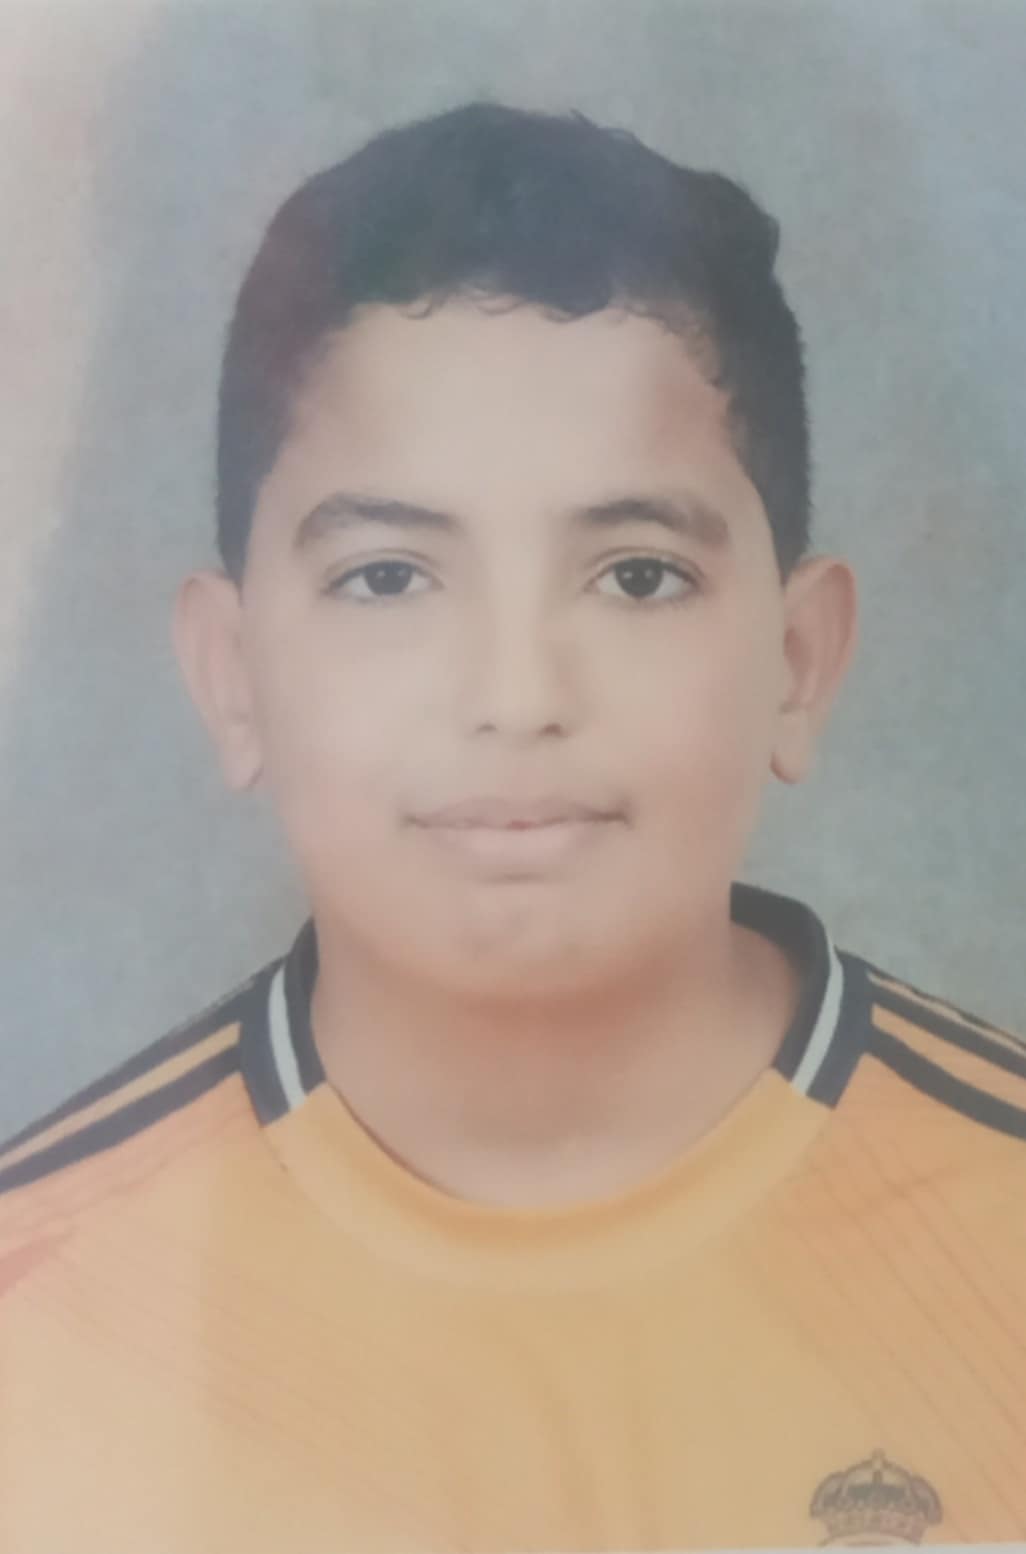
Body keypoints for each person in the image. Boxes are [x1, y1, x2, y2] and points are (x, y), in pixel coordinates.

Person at [1, 101, 1023, 1553]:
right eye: (387, 578)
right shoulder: (39, 1299)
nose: (516, 695)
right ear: (232, 677)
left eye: (636, 576)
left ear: (798, 664)